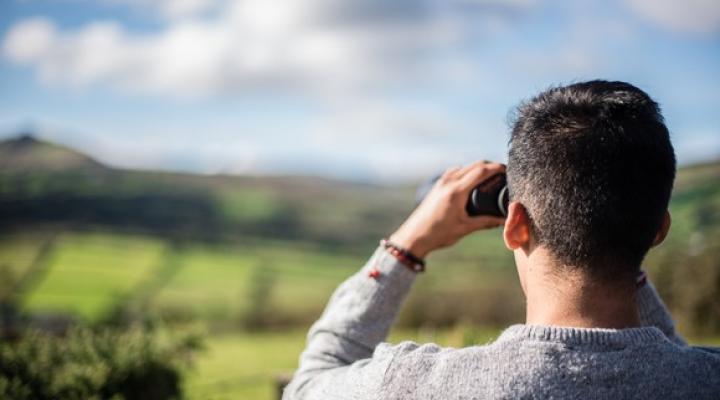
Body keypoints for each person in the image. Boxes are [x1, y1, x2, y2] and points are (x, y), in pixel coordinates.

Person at [282, 80, 720, 399]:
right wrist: (622, 229)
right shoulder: (705, 379)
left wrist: (404, 246)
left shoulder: (418, 385)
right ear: (659, 229)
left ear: (515, 225)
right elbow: (673, 359)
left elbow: (309, 384)